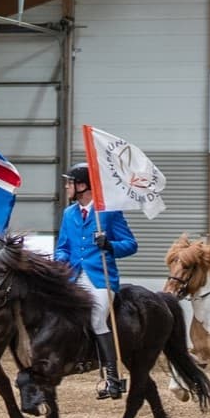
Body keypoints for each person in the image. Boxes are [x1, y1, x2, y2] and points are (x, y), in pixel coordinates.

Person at [54, 162, 138, 399]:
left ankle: (112, 378)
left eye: (70, 183)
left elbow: (131, 244)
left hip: (101, 278)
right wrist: (59, 261)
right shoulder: (68, 213)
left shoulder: (108, 212)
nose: (67, 187)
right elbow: (63, 247)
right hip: (73, 276)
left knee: (96, 318)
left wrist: (110, 245)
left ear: (82, 186)